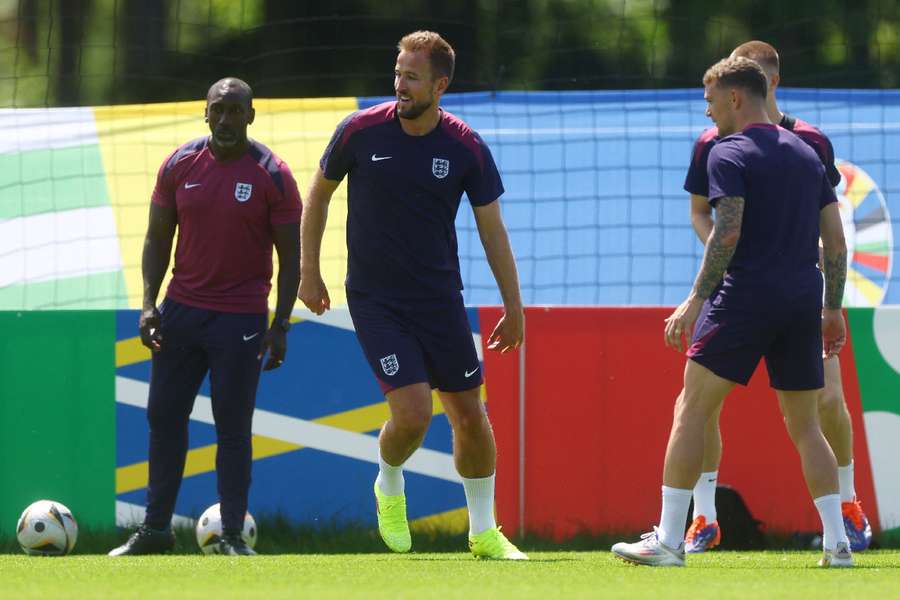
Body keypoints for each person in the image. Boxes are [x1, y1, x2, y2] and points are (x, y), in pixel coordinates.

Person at [611, 56, 852, 567]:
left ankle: (671, 540)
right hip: (802, 299)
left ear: (735, 97)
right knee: (805, 426)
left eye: (710, 101)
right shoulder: (809, 154)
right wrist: (832, 307)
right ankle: (838, 543)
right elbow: (834, 242)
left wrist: (696, 300)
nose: (708, 113)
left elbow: (728, 230)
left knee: (691, 408)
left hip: (745, 298)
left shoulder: (729, 151)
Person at [298, 31, 526, 560]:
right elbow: (318, 195)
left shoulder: (465, 146)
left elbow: (493, 231)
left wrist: (514, 307)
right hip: (376, 299)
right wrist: (308, 271)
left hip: (441, 299)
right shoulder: (358, 131)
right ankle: (389, 484)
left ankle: (484, 532)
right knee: (414, 413)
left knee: (470, 414)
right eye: (398, 73)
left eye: (412, 77)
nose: (400, 85)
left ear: (440, 86)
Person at [682, 40, 871, 553]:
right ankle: (704, 516)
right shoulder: (712, 142)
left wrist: (830, 302)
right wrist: (731, 255)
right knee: (704, 405)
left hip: (794, 287)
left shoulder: (810, 143)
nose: (711, 106)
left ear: (767, 86)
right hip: (744, 284)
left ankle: (847, 510)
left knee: (823, 404)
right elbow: (707, 216)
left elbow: (829, 229)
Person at [109, 78, 302, 557]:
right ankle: (156, 531)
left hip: (240, 319)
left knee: (231, 426)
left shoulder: (273, 174)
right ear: (205, 113)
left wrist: (280, 326)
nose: (226, 120)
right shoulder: (178, 164)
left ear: (251, 116)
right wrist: (149, 303)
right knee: (164, 417)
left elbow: (292, 259)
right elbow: (157, 239)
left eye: (236, 111)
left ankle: (232, 536)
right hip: (182, 312)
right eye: (218, 110)